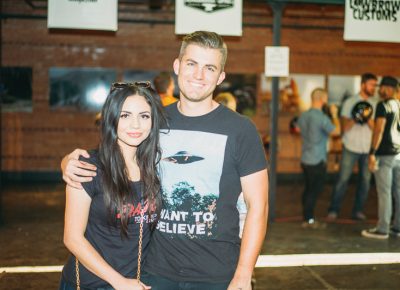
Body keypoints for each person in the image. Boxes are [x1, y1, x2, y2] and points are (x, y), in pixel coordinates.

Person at [61, 31, 269, 290]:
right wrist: (70, 161)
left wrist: (243, 273)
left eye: (210, 68)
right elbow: (117, 150)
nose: (199, 75)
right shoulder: (153, 121)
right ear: (177, 66)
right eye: (191, 64)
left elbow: (257, 206)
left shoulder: (241, 130)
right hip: (154, 271)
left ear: (221, 77)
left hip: (217, 273)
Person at [59, 82, 166, 290]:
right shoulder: (88, 168)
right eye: (125, 115)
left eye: (144, 116)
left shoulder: (155, 168)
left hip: (135, 282)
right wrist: (119, 282)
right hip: (93, 283)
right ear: (112, 118)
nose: (135, 125)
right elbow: (72, 238)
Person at [327, 73, 378, 221]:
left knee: (365, 181)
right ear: (363, 85)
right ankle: (333, 210)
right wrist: (356, 117)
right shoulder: (350, 102)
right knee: (343, 179)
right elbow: (344, 128)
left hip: (367, 148)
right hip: (351, 146)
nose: (374, 87)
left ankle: (358, 211)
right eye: (371, 84)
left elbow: (377, 129)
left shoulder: (375, 104)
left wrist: (367, 119)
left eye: (375, 85)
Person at [362, 76, 400, 239]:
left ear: (389, 88)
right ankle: (397, 227)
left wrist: (372, 152)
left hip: (384, 154)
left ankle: (383, 229)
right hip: (398, 154)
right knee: (398, 192)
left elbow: (378, 130)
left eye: (383, 86)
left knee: (384, 192)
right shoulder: (398, 105)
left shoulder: (382, 105)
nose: (380, 89)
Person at [298, 88, 340, 229]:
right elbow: (336, 132)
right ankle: (308, 219)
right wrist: (334, 114)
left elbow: (297, 129)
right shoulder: (322, 117)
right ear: (322, 99)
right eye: (326, 98)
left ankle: (306, 217)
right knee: (314, 190)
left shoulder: (303, 115)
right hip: (317, 159)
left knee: (308, 189)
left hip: (305, 158)